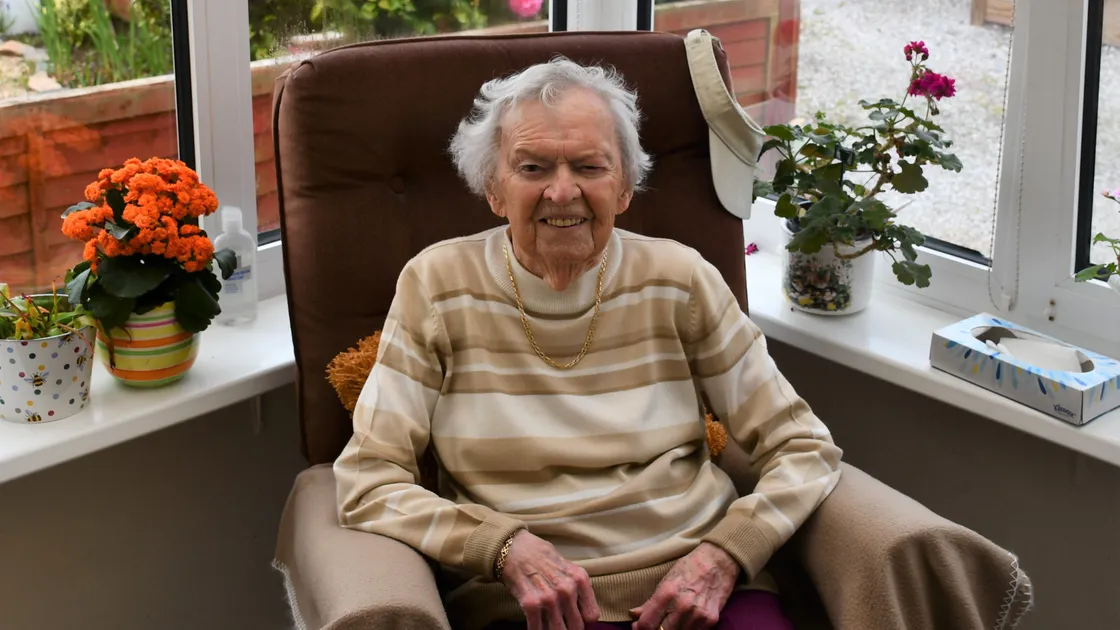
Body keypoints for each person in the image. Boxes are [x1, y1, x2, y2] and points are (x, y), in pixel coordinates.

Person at [334, 57, 842, 630]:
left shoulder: (680, 278)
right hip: (528, 603)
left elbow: (803, 447)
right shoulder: (436, 285)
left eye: (589, 166)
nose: (562, 191)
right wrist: (500, 548)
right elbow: (368, 480)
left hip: (700, 589)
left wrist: (727, 554)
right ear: (493, 189)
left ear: (624, 187)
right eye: (532, 168)